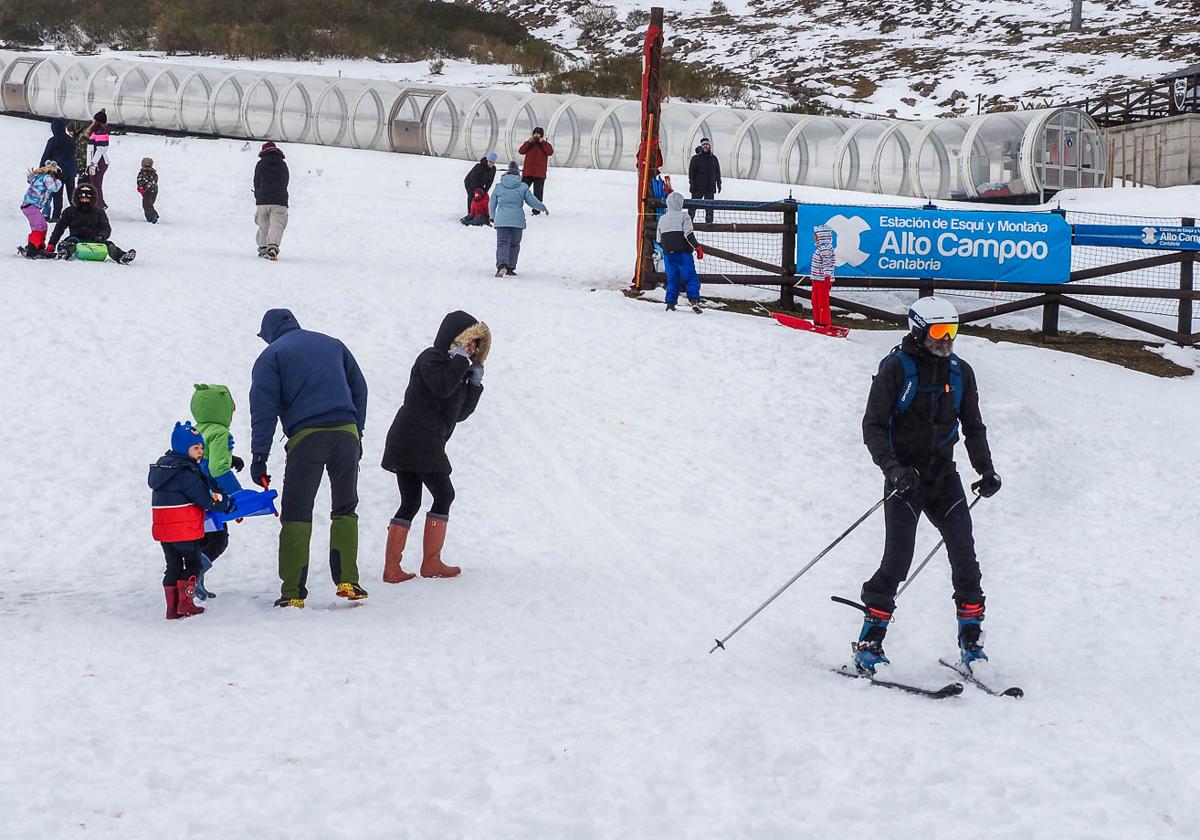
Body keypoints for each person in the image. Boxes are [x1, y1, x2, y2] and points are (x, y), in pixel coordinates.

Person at [854, 296, 1002, 675]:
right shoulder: (896, 369)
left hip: (943, 476)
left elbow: (973, 425)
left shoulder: (960, 371)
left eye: (953, 331)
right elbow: (873, 426)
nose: (947, 339)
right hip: (905, 479)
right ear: (918, 331)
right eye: (939, 331)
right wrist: (892, 469)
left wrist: (986, 470)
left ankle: (971, 641)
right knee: (897, 559)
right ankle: (870, 642)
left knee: (965, 556)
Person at [249, 308, 368, 608]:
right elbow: (360, 388)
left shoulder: (271, 357)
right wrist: (358, 432)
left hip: (307, 437)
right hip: (346, 434)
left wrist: (259, 455)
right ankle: (348, 580)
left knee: (297, 511)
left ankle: (292, 593)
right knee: (345, 506)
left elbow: (263, 409)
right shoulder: (333, 344)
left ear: (269, 333)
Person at [381, 311, 489, 583]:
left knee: (411, 501)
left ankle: (395, 568)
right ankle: (430, 562)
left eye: (477, 345)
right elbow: (441, 387)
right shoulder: (431, 358)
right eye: (470, 341)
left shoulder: (457, 368)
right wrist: (461, 363)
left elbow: (459, 413)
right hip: (414, 438)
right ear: (456, 337)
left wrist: (474, 384)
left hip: (420, 440)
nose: (473, 348)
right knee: (444, 493)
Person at [149, 422, 235, 619]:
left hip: (165, 532)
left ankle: (172, 609)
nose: (200, 452)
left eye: (202, 448)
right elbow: (206, 499)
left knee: (173, 567)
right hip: (184, 530)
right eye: (195, 448)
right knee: (193, 564)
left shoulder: (162, 470)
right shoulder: (186, 473)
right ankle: (185, 605)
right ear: (182, 449)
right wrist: (224, 503)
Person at [190, 383, 246, 600]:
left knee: (202, 539)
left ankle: (196, 583)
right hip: (212, 495)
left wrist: (231, 458)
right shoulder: (220, 432)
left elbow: (204, 458)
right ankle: (193, 575)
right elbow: (217, 468)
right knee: (218, 540)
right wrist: (237, 493)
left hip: (193, 493)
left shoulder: (195, 430)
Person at [47, 182, 136, 264]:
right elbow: (59, 228)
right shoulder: (70, 211)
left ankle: (121, 256)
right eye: (82, 198)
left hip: (94, 239)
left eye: (87, 199)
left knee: (109, 244)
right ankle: (65, 253)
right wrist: (51, 244)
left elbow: (106, 228)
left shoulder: (98, 212)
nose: (85, 201)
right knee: (70, 243)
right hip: (76, 238)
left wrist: (101, 236)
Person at [489, 161, 546, 277]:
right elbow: (532, 201)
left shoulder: (499, 187)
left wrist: (492, 216)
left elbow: (492, 203)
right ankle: (510, 267)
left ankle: (502, 265)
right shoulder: (523, 187)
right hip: (517, 221)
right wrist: (542, 207)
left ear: (507, 172)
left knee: (502, 243)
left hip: (502, 220)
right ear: (517, 174)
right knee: (515, 244)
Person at [656, 191, 705, 313]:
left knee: (672, 278)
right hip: (684, 253)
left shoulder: (662, 219)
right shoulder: (684, 216)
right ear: (681, 203)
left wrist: (666, 248)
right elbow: (689, 234)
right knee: (690, 277)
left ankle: (670, 303)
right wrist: (697, 248)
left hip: (668, 254)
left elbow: (658, 239)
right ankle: (694, 300)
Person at [18, 161, 61, 259]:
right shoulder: (48, 178)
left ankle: (39, 245)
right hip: (31, 206)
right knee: (38, 226)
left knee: (43, 225)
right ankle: (33, 248)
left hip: (31, 206)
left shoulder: (40, 177)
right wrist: (58, 182)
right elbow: (53, 188)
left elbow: (30, 180)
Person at [253, 141, 289, 260]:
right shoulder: (283, 165)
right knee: (276, 225)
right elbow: (285, 181)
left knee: (263, 225)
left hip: (263, 200)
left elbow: (256, 182)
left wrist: (258, 196)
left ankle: (263, 247)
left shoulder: (260, 164)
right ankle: (272, 247)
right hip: (279, 200)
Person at [38, 118, 76, 222]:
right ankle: (77, 214)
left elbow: (46, 155)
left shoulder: (53, 140)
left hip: (58, 172)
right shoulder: (71, 140)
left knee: (57, 194)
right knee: (72, 194)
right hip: (71, 171)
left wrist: (41, 169)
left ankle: (56, 216)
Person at [518, 127, 553, 214]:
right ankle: (516, 208)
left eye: (538, 134)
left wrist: (543, 143)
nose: (536, 135)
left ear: (541, 135)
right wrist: (528, 142)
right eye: (535, 133)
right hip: (527, 173)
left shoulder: (545, 145)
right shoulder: (529, 144)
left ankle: (536, 211)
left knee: (538, 194)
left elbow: (550, 152)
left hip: (539, 174)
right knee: (520, 192)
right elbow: (521, 151)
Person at [687, 137, 721, 224]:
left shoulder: (714, 158)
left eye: (707, 145)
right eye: (704, 145)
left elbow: (717, 171)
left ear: (709, 146)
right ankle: (689, 221)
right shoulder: (695, 158)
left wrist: (719, 183)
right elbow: (691, 173)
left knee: (709, 206)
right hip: (698, 187)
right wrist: (692, 184)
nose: (705, 147)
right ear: (701, 146)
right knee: (693, 205)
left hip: (710, 187)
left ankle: (709, 224)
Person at [810, 225, 835, 328]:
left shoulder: (826, 250)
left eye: (815, 235)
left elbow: (828, 265)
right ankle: (817, 322)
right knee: (815, 301)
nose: (814, 237)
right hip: (816, 279)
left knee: (822, 303)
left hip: (823, 281)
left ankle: (824, 324)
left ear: (821, 236)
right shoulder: (820, 248)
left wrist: (827, 279)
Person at [87, 109, 110, 209]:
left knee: (96, 184)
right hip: (97, 162)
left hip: (99, 162)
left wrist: (93, 163)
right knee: (95, 184)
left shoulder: (101, 132)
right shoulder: (97, 132)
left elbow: (100, 149)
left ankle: (99, 205)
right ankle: (98, 203)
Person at [137, 157, 159, 223]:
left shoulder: (142, 173)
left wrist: (141, 187)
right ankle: (152, 214)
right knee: (150, 203)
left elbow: (140, 181)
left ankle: (152, 216)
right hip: (154, 189)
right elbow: (155, 180)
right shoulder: (154, 173)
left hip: (147, 189)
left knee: (146, 204)